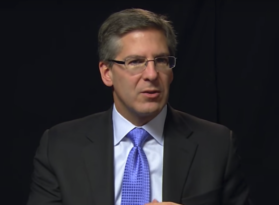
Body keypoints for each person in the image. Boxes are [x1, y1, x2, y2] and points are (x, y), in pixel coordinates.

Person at [27, 8, 250, 205]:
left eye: (161, 60)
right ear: (107, 73)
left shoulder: (217, 145)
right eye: (135, 62)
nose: (152, 74)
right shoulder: (59, 147)